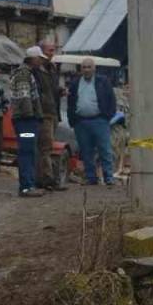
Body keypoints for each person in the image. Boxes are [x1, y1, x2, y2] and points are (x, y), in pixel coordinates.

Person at [67, 57, 117, 186]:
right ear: (81, 69)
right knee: (86, 151)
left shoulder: (103, 81)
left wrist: (107, 117)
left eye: (89, 67)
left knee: (105, 150)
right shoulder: (75, 83)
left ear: (94, 68)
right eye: (84, 67)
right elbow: (70, 102)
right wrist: (73, 120)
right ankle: (91, 178)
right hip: (81, 122)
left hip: (99, 121)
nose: (87, 70)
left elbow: (111, 100)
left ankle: (109, 177)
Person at [10, 48, 46, 197]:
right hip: (26, 120)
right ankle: (26, 186)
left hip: (25, 119)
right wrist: (31, 116)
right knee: (27, 151)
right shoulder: (24, 75)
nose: (41, 61)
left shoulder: (24, 73)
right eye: (40, 58)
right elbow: (25, 98)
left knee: (28, 151)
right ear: (33, 58)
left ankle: (28, 184)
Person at [34, 39, 67, 191]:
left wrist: (60, 91)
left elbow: (52, 89)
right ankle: (46, 179)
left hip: (53, 112)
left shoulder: (52, 69)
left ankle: (48, 178)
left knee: (49, 146)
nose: (52, 54)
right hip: (43, 113)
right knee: (45, 147)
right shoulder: (36, 70)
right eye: (50, 51)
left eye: (53, 50)